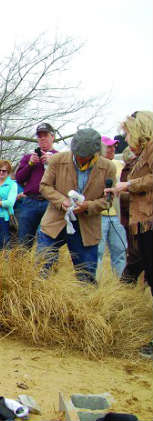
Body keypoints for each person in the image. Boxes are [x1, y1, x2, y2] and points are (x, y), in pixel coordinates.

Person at [104, 111, 153, 358]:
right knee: (135, 269)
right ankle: (117, 315)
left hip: (149, 223)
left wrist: (129, 185)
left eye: (127, 131)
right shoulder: (142, 153)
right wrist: (119, 191)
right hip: (140, 223)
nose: (125, 136)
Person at [37, 128, 114, 284]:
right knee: (42, 267)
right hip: (55, 222)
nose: (80, 158)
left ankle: (87, 303)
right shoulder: (57, 160)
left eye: (85, 156)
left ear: (96, 152)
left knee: (86, 275)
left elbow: (108, 200)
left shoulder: (108, 167)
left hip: (87, 226)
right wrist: (61, 201)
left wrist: (88, 206)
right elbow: (44, 186)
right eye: (77, 154)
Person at [15, 123, 59, 246]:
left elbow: (65, 179)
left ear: (52, 137)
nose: (42, 138)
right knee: (24, 239)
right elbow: (19, 178)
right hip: (30, 201)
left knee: (47, 239)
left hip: (50, 202)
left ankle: (45, 264)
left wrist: (52, 163)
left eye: (45, 135)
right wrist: (30, 164)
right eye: (39, 136)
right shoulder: (29, 157)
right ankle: (22, 265)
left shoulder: (59, 157)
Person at [95, 136, 127, 278]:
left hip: (118, 216)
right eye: (109, 146)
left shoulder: (121, 165)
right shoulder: (94, 167)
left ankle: (121, 286)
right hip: (99, 216)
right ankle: (97, 288)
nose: (113, 149)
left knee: (120, 252)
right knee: (97, 253)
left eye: (114, 146)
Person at [117, 147, 145, 284]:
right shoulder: (128, 170)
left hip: (144, 218)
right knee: (136, 256)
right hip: (133, 220)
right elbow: (122, 197)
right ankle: (125, 287)